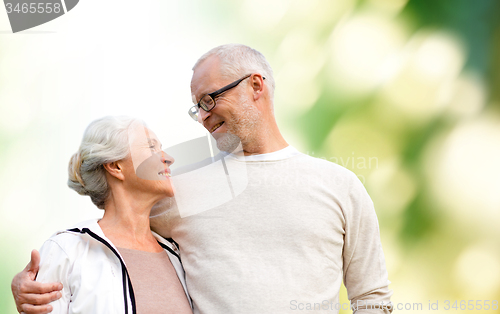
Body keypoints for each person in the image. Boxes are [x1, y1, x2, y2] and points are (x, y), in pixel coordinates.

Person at [12, 44, 393, 313]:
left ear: (256, 86)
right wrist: (32, 284)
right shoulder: (179, 187)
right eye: (197, 108)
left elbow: (373, 296)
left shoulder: (339, 186)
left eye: (210, 100)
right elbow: (115, 229)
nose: (203, 117)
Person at [11, 116, 193, 314]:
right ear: (116, 166)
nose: (168, 158)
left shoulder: (176, 255)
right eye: (151, 148)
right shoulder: (67, 252)